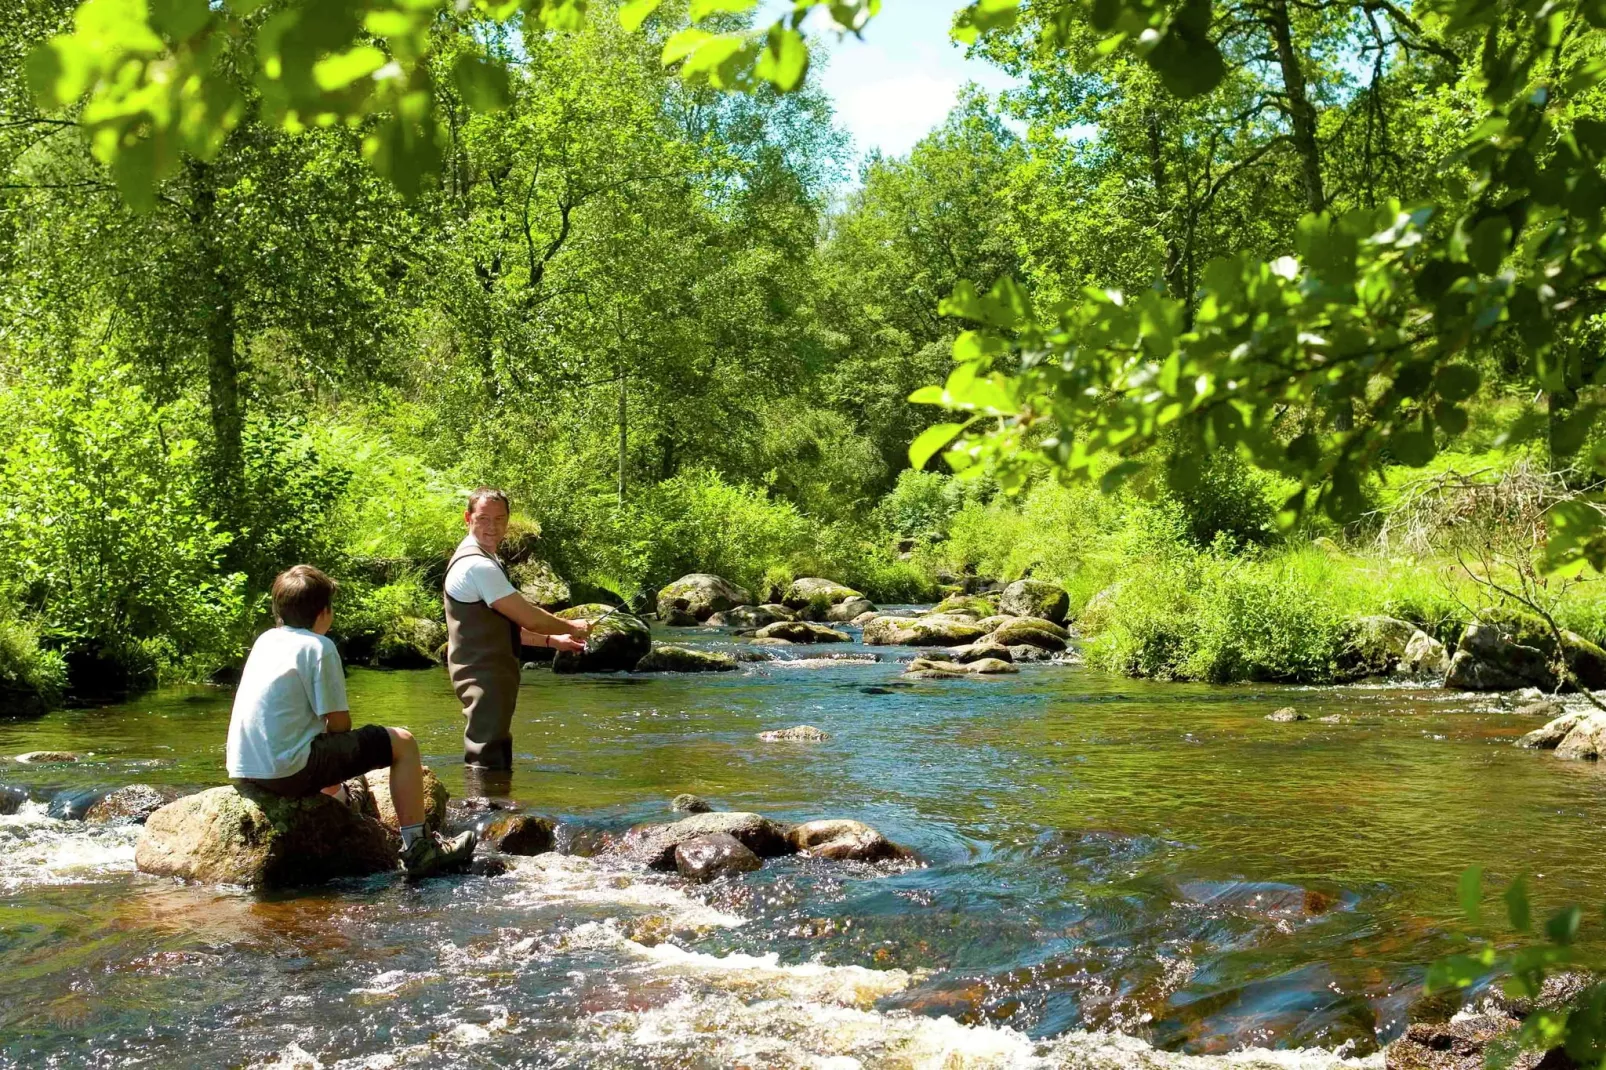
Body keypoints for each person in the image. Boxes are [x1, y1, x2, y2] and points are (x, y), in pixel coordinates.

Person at [226, 564, 476, 879]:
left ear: (279, 610)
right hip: (286, 771)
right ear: (323, 612)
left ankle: (341, 798)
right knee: (402, 742)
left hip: (244, 768)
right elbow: (340, 726)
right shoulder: (319, 647)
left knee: (318, 746)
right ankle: (420, 848)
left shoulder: (266, 641)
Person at [444, 488, 591, 770]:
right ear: (468, 518)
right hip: (482, 674)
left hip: (485, 671)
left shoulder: (485, 560)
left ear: (508, 521)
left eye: (500, 519)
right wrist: (574, 626)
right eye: (484, 518)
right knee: (486, 752)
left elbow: (503, 625)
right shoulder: (478, 566)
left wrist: (553, 641)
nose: (492, 526)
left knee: (495, 746)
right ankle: (484, 812)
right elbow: (529, 618)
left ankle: (494, 807)